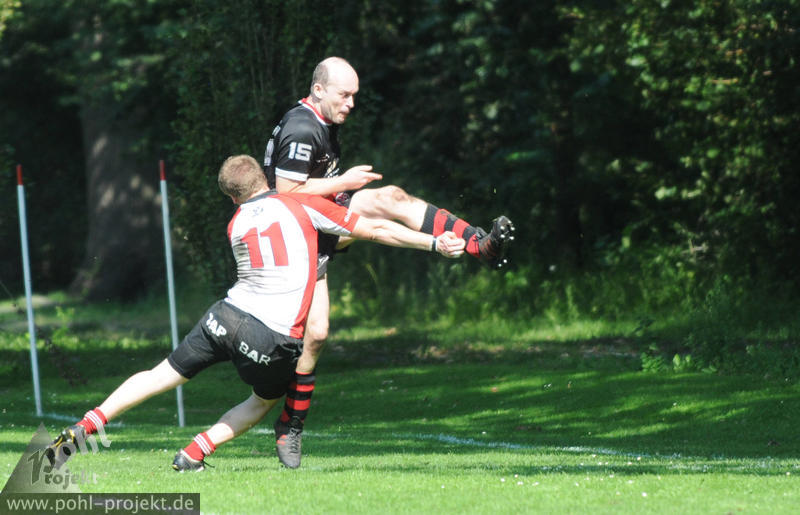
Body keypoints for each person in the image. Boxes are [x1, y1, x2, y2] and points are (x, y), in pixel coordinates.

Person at [45, 154, 465, 472]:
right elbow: (375, 228)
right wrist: (433, 242)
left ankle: (83, 427)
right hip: (271, 335)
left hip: (225, 315)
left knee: (160, 374)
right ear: (266, 177)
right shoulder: (300, 204)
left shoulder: (237, 223)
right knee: (264, 400)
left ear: (232, 197)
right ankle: (195, 452)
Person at [263, 56, 515, 466]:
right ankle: (290, 425)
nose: (351, 104)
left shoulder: (322, 120)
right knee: (317, 334)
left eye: (355, 96)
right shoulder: (303, 127)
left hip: (320, 219)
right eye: (344, 95)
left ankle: (478, 246)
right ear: (319, 90)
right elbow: (286, 191)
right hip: (297, 237)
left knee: (392, 197)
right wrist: (344, 182)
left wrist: (341, 190)